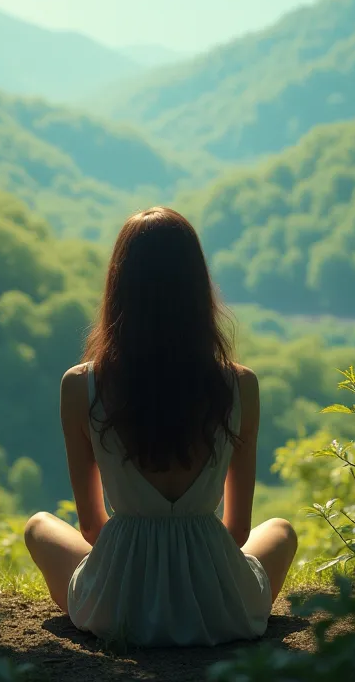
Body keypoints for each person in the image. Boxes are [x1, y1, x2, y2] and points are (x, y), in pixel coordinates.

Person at [24, 207, 297, 647]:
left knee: (38, 525)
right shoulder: (239, 385)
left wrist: (142, 573)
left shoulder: (82, 385)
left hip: (118, 604)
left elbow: (92, 529)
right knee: (281, 530)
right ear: (197, 289)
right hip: (217, 603)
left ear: (119, 288)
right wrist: (187, 574)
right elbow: (239, 531)